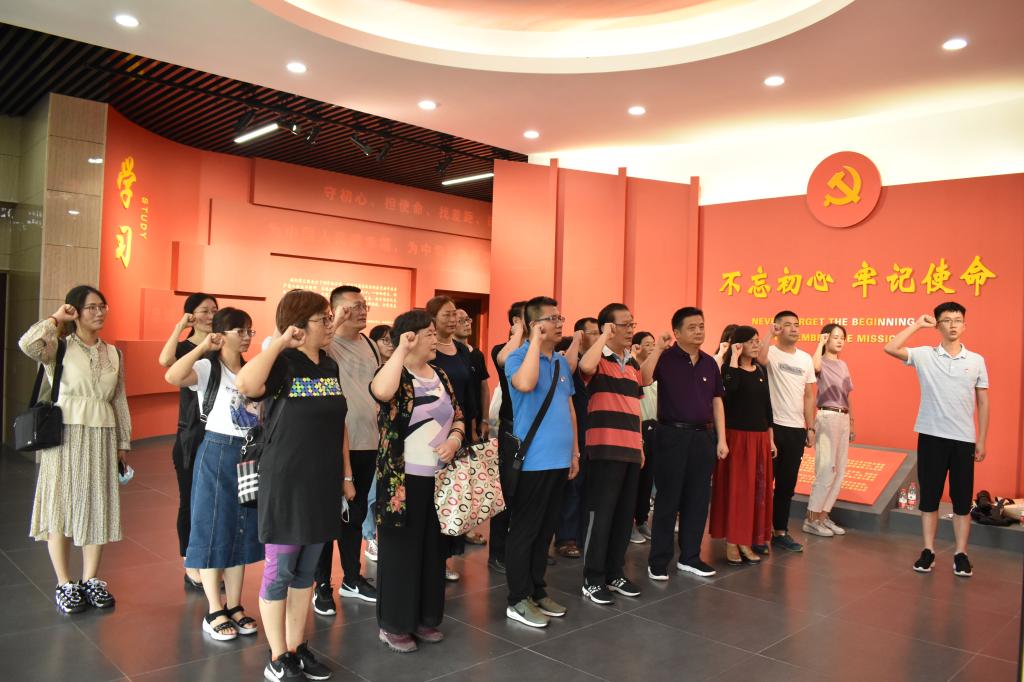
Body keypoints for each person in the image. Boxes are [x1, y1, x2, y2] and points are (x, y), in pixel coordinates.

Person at [235, 290, 350, 681]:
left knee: (306, 572)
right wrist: (281, 342)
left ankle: (298, 646)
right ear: (299, 325)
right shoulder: (283, 362)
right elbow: (247, 384)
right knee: (279, 571)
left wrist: (345, 476)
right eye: (324, 319)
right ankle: (277, 655)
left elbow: (339, 426)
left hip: (322, 483)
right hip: (286, 483)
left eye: (330, 317)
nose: (331, 324)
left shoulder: (329, 365)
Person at [19, 286, 131, 613]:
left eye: (103, 306)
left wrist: (123, 442)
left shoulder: (114, 353)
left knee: (98, 505)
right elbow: (28, 344)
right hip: (65, 435)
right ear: (76, 311)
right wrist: (56, 318)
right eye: (91, 307)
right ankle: (64, 583)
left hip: (102, 436)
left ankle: (91, 579)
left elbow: (119, 400)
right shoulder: (59, 346)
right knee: (61, 506)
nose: (99, 312)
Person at [370, 309, 465, 653]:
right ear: (409, 338)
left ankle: (425, 618)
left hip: (438, 481)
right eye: (428, 333)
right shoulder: (394, 372)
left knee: (431, 551)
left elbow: (458, 415)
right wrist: (400, 350)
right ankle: (394, 624)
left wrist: (454, 439)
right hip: (402, 482)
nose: (435, 338)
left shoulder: (440, 374)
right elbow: (381, 392)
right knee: (401, 554)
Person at [164, 307, 263, 640]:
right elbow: (173, 376)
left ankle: (234, 605)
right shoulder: (208, 367)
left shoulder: (251, 370)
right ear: (221, 334)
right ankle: (214, 609)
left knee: (241, 527)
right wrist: (204, 347)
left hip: (248, 454)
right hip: (217, 450)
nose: (247, 337)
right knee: (212, 526)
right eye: (240, 331)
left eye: (249, 330)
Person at [884, 302, 989, 577]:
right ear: (938, 325)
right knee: (929, 498)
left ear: (964, 325)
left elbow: (983, 402)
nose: (953, 325)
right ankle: (928, 550)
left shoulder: (976, 360)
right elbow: (890, 347)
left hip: (963, 439)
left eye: (958, 320)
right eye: (947, 320)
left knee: (962, 500)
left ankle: (961, 553)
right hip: (931, 436)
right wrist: (918, 325)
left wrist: (981, 439)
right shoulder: (924, 355)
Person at [504, 296, 579, 628]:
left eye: (560, 317)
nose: (560, 323)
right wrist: (533, 340)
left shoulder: (561, 362)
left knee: (546, 530)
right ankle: (517, 598)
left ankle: (537, 589)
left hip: (559, 460)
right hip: (532, 461)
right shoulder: (517, 358)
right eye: (553, 318)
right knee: (525, 531)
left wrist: (574, 452)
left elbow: (570, 409)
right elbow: (526, 383)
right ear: (535, 325)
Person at [641, 307, 727, 580]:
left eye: (701, 326)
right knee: (668, 499)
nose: (699, 331)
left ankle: (690, 557)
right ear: (677, 332)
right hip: (671, 435)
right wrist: (657, 348)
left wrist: (722, 439)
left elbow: (717, 401)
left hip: (703, 437)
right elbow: (643, 379)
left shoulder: (709, 363)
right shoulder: (666, 358)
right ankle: (658, 560)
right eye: (692, 327)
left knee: (698, 499)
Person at [312, 286, 381, 617]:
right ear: (337, 310)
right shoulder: (327, 343)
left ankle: (352, 578)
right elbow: (316, 347)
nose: (362, 311)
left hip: (368, 442)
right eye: (354, 307)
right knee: (327, 517)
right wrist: (335, 322)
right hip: (334, 443)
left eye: (364, 305)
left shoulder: (369, 344)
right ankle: (321, 585)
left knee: (355, 514)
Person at [577, 304, 646, 604]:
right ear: (610, 327)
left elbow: (636, 408)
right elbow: (585, 367)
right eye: (625, 324)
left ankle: (614, 573)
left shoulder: (633, 364)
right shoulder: (599, 359)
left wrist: (640, 445)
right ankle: (592, 579)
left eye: (632, 324)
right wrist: (603, 337)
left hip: (630, 450)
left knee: (623, 517)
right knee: (601, 516)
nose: (631, 329)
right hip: (604, 449)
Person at [157, 292, 218, 590]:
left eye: (214, 310)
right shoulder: (185, 348)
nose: (211, 316)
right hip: (192, 434)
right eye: (204, 311)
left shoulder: (222, 346)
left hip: (221, 432)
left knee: (213, 501)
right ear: (192, 315)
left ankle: (209, 560)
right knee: (190, 500)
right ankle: (190, 563)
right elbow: (165, 360)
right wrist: (180, 326)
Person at [710, 326, 776, 565]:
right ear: (739, 344)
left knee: (756, 492)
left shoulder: (760, 370)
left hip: (759, 438)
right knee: (738, 491)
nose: (756, 345)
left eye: (758, 341)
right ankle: (733, 541)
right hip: (737, 438)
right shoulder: (729, 370)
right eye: (751, 341)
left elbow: (767, 408)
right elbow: (729, 392)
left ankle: (746, 540)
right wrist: (734, 358)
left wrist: (770, 438)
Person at [426, 295, 477, 580]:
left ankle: (445, 555)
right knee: (435, 496)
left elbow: (469, 390)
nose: (453, 319)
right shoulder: (429, 350)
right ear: (432, 318)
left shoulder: (461, 350)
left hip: (459, 428)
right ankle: (435, 558)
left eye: (454, 314)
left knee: (453, 495)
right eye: (446, 314)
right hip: (433, 429)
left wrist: (472, 424)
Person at [756, 310, 816, 553]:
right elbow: (759, 358)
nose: (794, 329)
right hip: (772, 427)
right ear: (778, 328)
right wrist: (769, 334)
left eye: (796, 325)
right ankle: (758, 533)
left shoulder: (805, 359)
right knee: (763, 484)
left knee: (786, 485)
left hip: (796, 429)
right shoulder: (770, 351)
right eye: (788, 325)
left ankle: (780, 531)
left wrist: (810, 427)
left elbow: (809, 395)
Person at [487, 300, 528, 573]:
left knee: (530, 490)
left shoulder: (537, 351)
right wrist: (519, 333)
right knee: (507, 490)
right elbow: (503, 360)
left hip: (535, 427)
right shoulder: (502, 349)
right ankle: (497, 553)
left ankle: (523, 548)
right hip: (512, 426)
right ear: (515, 321)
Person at [805, 323, 854, 538]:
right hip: (827, 416)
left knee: (840, 470)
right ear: (826, 338)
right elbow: (814, 367)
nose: (839, 340)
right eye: (835, 337)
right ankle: (811, 519)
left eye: (842, 337)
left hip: (843, 417)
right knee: (825, 469)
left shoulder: (843, 365)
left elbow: (847, 394)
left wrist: (852, 421)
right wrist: (820, 344)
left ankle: (823, 516)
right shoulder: (820, 361)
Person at [363, 323, 393, 563]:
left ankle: (381, 536)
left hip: (390, 439)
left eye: (392, 339)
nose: (390, 344)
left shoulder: (397, 370)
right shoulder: (369, 370)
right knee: (371, 493)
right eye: (384, 340)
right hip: (368, 437)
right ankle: (370, 536)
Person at [631, 331, 658, 543]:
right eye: (647, 344)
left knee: (648, 480)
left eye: (653, 344)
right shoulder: (632, 368)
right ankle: (629, 524)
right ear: (636, 347)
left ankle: (642, 520)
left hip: (654, 428)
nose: (651, 348)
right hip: (635, 428)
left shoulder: (656, 372)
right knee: (634, 480)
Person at [455, 308, 491, 440]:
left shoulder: (477, 354)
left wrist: (485, 420)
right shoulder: (450, 355)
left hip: (478, 420)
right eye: (461, 321)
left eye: (468, 320)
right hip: (457, 421)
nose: (467, 323)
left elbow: (484, 388)